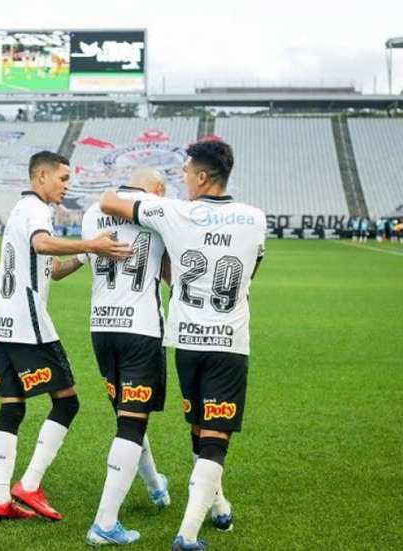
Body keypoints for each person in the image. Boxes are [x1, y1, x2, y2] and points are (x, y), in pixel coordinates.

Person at [101, 139, 267, 550]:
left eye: (187, 173)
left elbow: (110, 201)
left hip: (186, 342)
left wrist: (148, 194)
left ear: (203, 177)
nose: (183, 180)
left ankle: (219, 504)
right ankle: (186, 536)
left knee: (200, 431)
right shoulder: (254, 218)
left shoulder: (174, 212)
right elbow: (252, 272)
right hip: (229, 341)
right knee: (214, 437)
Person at [0, 151, 132, 521]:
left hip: (3, 321)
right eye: (62, 178)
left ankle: (0, 498)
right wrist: (92, 245)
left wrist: (85, 259)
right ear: (41, 177)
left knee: (13, 406)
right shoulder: (37, 210)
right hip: (27, 322)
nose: (67, 185)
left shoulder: (21, 209)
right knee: (67, 403)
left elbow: (51, 270)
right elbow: (42, 245)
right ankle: (30, 484)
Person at [52, 168, 173, 545]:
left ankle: (155, 486)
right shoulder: (157, 209)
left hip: (102, 328)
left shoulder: (92, 212)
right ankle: (105, 523)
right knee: (132, 424)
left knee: (127, 416)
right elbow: (172, 272)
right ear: (154, 189)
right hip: (141, 328)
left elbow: (79, 261)